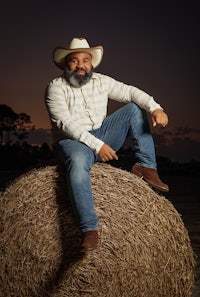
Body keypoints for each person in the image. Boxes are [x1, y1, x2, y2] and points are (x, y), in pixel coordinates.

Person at [45, 37, 169, 252]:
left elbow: (130, 91)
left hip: (102, 134)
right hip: (72, 141)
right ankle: (89, 229)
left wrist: (155, 108)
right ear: (66, 64)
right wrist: (96, 145)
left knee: (133, 109)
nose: (80, 65)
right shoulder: (55, 87)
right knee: (76, 163)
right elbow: (64, 123)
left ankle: (146, 167)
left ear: (91, 64)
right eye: (74, 61)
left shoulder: (102, 81)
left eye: (85, 60)